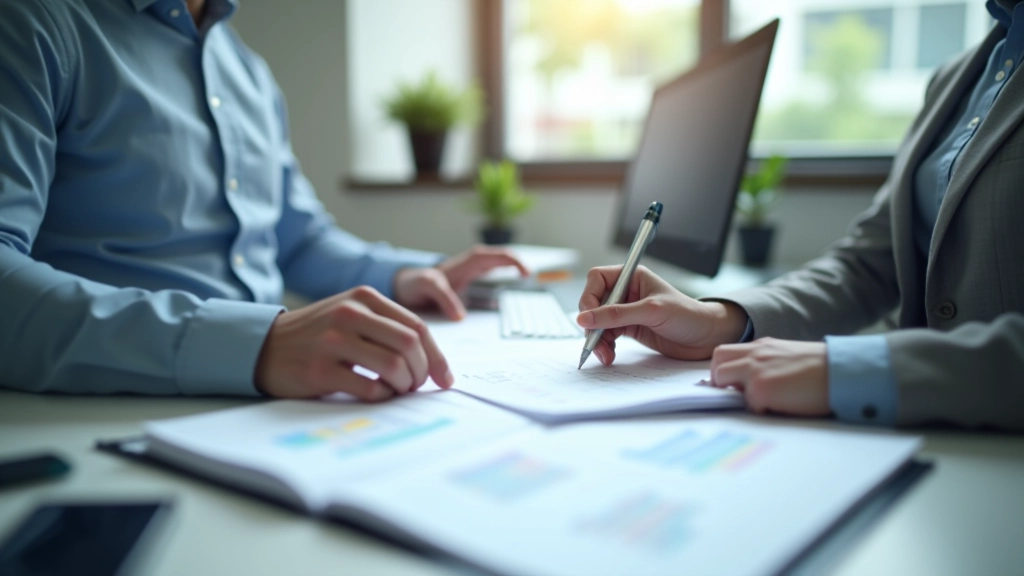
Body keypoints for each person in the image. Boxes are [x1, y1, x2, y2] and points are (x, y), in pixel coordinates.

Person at [0, 0, 527, 401]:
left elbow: (296, 241)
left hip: (263, 401)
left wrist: (409, 275)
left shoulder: (247, 72)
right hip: (108, 406)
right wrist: (252, 344)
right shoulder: (32, 25)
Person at [578, 0, 1024, 430]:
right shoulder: (956, 78)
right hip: (924, 436)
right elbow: (867, 266)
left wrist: (855, 369)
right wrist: (719, 320)